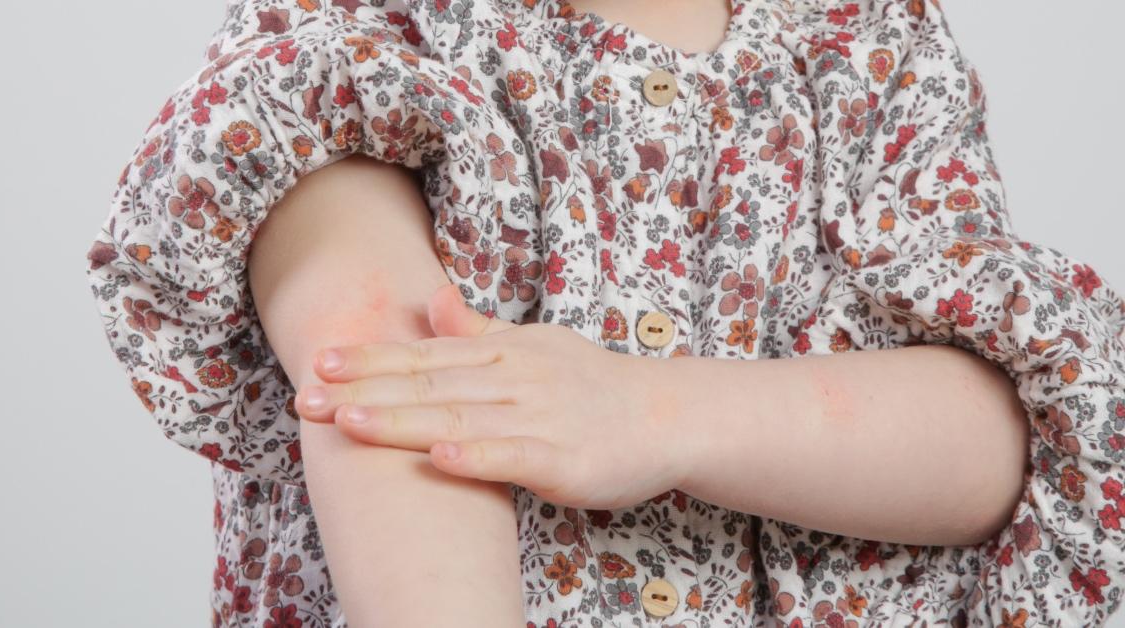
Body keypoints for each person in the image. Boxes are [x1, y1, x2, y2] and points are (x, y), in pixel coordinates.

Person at [84, 0, 1125, 625]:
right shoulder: (361, 52)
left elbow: (1009, 437)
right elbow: (382, 381)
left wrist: (657, 412)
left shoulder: (870, 46)